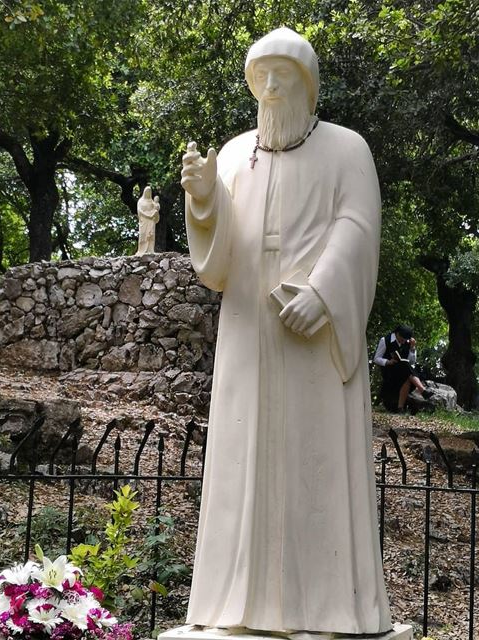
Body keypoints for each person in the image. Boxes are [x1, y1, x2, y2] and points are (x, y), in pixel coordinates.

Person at [180, 27, 392, 636]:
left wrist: (323, 293)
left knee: (315, 464)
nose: (270, 90)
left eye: (283, 77)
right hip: (249, 325)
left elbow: (358, 224)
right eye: (260, 78)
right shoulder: (232, 153)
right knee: (243, 459)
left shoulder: (348, 149)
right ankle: (236, 608)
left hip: (310, 334)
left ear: (308, 85)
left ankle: (327, 609)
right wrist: (203, 201)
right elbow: (218, 267)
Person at [374, 324, 433, 413]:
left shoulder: (408, 343)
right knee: (405, 368)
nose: (403, 341)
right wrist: (388, 362)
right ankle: (422, 390)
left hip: (403, 371)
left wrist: (412, 348)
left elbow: (411, 362)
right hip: (389, 371)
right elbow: (376, 359)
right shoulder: (385, 340)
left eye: (405, 339)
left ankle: (400, 408)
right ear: (397, 334)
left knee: (405, 369)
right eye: (402, 339)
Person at [136, 186, 160, 256]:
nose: (148, 193)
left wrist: (155, 213)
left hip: (151, 220)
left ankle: (150, 250)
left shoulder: (152, 202)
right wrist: (147, 215)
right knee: (143, 235)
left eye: (149, 192)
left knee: (151, 235)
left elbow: (156, 209)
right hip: (144, 220)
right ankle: (141, 250)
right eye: (147, 191)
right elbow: (139, 210)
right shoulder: (140, 201)